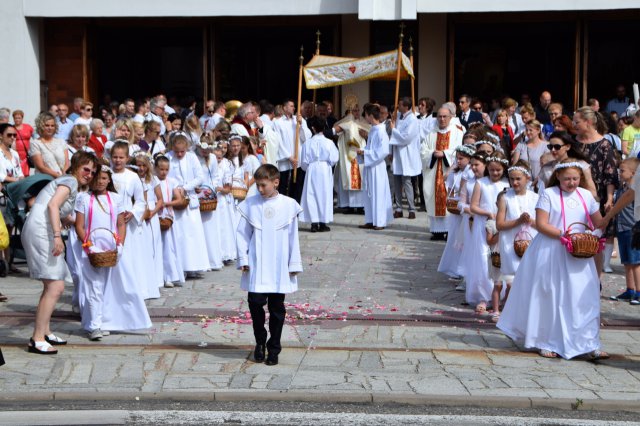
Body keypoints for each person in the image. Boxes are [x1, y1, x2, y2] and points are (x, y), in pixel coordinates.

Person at [498, 159, 608, 360]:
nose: (572, 183)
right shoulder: (549, 194)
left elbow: (598, 221)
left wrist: (601, 228)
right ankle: (546, 340)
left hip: (579, 252)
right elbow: (541, 224)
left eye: (575, 178)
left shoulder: (586, 195)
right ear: (557, 177)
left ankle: (589, 342)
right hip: (551, 249)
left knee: (583, 296)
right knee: (550, 295)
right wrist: (563, 235)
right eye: (567, 179)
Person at [23, 151, 97, 354]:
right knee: (55, 285)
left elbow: (52, 207)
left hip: (40, 228)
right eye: (86, 169)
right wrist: (57, 235)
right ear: (76, 166)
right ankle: (37, 338)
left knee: (52, 283)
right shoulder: (70, 181)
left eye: (92, 172)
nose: (89, 174)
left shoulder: (68, 181)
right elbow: (53, 205)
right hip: (41, 231)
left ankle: (44, 331)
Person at [236, 164, 303, 366]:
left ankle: (274, 347)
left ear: (276, 182)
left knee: (276, 308)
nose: (260, 189)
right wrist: (244, 259)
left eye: (263, 185)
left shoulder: (288, 205)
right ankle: (260, 341)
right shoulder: (251, 204)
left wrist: (294, 263)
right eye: (257, 185)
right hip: (257, 263)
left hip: (279, 265)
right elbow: (241, 234)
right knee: (255, 303)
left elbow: (293, 237)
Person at [74, 165, 126, 340]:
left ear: (109, 180)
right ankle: (94, 326)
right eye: (97, 179)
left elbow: (120, 224)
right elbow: (79, 225)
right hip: (91, 249)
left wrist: (120, 245)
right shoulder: (83, 198)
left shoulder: (116, 199)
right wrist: (88, 246)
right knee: (94, 287)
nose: (100, 182)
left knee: (107, 287)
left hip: (110, 248)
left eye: (104, 178)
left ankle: (99, 321)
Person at [493, 161, 539, 323]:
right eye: (512, 179)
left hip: (531, 243)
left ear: (527, 178)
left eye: (518, 179)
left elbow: (541, 224)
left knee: (529, 281)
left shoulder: (536, 197)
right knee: (513, 282)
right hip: (510, 245)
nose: (515, 183)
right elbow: (499, 225)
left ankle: (527, 315)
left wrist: (530, 221)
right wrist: (519, 221)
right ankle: (512, 315)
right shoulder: (505, 198)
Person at [468, 153, 510, 314]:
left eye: (498, 170)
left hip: (501, 225)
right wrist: (487, 213)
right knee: (483, 258)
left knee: (500, 257)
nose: (495, 173)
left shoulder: (507, 184)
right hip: (482, 224)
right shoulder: (481, 183)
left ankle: (502, 294)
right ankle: (483, 296)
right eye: (491, 170)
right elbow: (473, 206)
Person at [167, 133, 210, 278]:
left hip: (189, 197)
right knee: (179, 234)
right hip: (175, 198)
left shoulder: (191, 158)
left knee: (192, 234)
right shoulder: (168, 157)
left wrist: (185, 187)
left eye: (182, 151)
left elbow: (200, 177)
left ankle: (193, 265)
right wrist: (175, 189)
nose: (179, 154)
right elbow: (166, 176)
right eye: (177, 151)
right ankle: (180, 267)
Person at [421, 107, 464, 240]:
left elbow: (460, 150)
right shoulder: (431, 133)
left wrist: (444, 153)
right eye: (439, 116)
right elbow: (423, 151)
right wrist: (433, 154)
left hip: (449, 172)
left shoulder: (457, 132)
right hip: (433, 172)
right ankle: (437, 231)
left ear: (451, 117)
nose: (442, 119)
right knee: (434, 199)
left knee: (449, 199)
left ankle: (449, 231)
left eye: (445, 116)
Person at [603, 158, 640, 304]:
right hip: (623, 228)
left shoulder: (635, 189)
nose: (619, 173)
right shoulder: (622, 189)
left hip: (633, 229)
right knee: (626, 261)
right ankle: (630, 290)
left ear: (634, 173)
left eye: (622, 170)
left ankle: (639, 291)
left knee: (636, 262)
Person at [437, 144, 474, 279]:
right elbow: (449, 184)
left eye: (461, 158)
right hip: (455, 210)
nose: (458, 161)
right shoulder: (457, 171)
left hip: (464, 209)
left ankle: (460, 268)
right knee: (453, 238)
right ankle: (452, 266)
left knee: (462, 240)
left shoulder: (470, 172)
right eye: (457, 158)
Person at [299, 117, 339, 232]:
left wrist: (309, 168)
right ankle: (322, 223)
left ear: (313, 128)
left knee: (311, 195)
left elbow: (304, 162)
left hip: (312, 169)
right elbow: (334, 158)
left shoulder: (308, 143)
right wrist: (327, 165)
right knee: (324, 195)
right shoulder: (329, 142)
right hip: (324, 169)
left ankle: (314, 223)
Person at [357, 103, 393, 230]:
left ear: (371, 116)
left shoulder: (381, 131)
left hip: (377, 167)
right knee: (368, 192)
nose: (365, 118)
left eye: (366, 115)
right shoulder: (373, 129)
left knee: (378, 193)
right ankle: (370, 219)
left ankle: (380, 221)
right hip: (370, 166)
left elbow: (383, 151)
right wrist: (363, 151)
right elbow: (370, 148)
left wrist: (365, 153)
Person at [133, 152, 164, 298]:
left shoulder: (153, 179)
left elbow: (160, 199)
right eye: (138, 165)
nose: (140, 168)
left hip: (151, 211)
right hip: (140, 210)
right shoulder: (133, 178)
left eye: (143, 165)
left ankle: (156, 278)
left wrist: (153, 212)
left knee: (154, 243)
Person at [155, 154, 186, 287]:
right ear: (155, 168)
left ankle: (170, 275)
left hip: (167, 217)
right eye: (161, 169)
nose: (164, 172)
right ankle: (158, 276)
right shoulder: (153, 181)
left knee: (168, 247)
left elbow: (179, 199)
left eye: (166, 170)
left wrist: (167, 203)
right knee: (157, 247)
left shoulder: (171, 181)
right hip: (155, 216)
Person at [389, 97, 422, 219]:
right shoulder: (397, 116)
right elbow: (390, 135)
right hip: (397, 153)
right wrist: (390, 151)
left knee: (407, 181)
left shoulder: (412, 119)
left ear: (406, 107)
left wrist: (394, 130)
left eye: (400, 105)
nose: (398, 107)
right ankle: (398, 208)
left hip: (406, 154)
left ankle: (411, 209)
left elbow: (406, 137)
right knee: (397, 180)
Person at [332, 103, 368, 214]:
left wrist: (365, 134)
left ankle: (361, 205)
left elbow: (369, 135)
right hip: (347, 156)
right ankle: (348, 205)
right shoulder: (346, 123)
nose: (357, 113)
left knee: (360, 179)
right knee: (348, 177)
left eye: (358, 110)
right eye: (354, 110)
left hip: (360, 155)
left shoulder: (363, 123)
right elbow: (335, 131)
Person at [273, 99, 311, 203]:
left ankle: (296, 205)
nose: (293, 108)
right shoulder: (277, 123)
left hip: (298, 158)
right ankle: (281, 205)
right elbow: (278, 141)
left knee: (298, 184)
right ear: (284, 108)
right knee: (283, 184)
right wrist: (289, 157)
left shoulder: (298, 120)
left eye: (294, 106)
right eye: (291, 106)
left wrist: (302, 124)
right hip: (286, 159)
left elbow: (307, 138)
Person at [0, 124, 24, 276]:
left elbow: (20, 172)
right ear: (0, 136)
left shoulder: (14, 154)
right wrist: (15, 179)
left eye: (14, 135)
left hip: (14, 192)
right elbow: (1, 176)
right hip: (2, 192)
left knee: (9, 227)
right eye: (9, 135)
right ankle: (1, 262)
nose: (13, 138)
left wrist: (19, 180)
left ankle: (8, 261)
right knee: (1, 229)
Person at [30, 113, 69, 178]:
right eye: (47, 125)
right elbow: (41, 167)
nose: (50, 128)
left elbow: (67, 162)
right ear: (41, 126)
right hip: (45, 179)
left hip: (63, 178)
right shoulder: (35, 143)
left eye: (52, 125)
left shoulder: (61, 142)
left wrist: (64, 174)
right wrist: (57, 175)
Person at [511, 120, 549, 186]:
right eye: (526, 130)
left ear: (538, 130)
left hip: (539, 183)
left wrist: (535, 182)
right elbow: (515, 165)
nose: (528, 132)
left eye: (531, 130)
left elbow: (546, 168)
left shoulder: (545, 146)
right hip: (524, 183)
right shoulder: (521, 145)